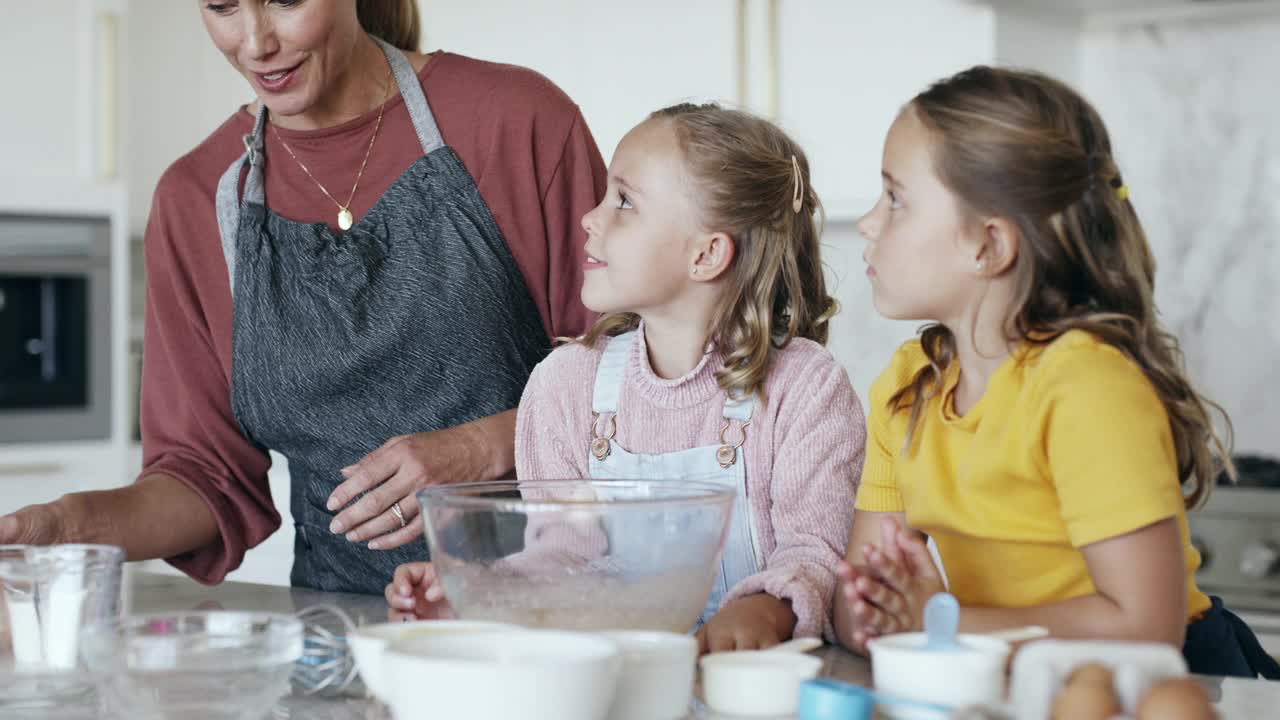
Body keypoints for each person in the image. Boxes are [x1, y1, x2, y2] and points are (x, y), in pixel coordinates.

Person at [0, 0, 605, 595]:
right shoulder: (196, 199)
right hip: (340, 635)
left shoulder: (516, 121)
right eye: (222, 6)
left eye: (286, 1)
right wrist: (71, 524)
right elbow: (204, 476)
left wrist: (485, 448)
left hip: (557, 617)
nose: (255, 42)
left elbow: (636, 391)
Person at [834, 65, 1280, 679]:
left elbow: (1146, 625)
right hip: (1015, 675)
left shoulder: (1085, 388)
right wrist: (883, 611)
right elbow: (861, 609)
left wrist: (938, 622)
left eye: (896, 199)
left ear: (989, 245)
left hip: (1177, 676)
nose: (868, 222)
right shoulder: (907, 389)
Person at [387, 103, 866, 653]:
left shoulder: (805, 389)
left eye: (624, 201)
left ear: (707, 254)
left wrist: (767, 610)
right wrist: (479, 596)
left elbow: (813, 555)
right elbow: (561, 558)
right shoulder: (565, 385)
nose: (591, 218)